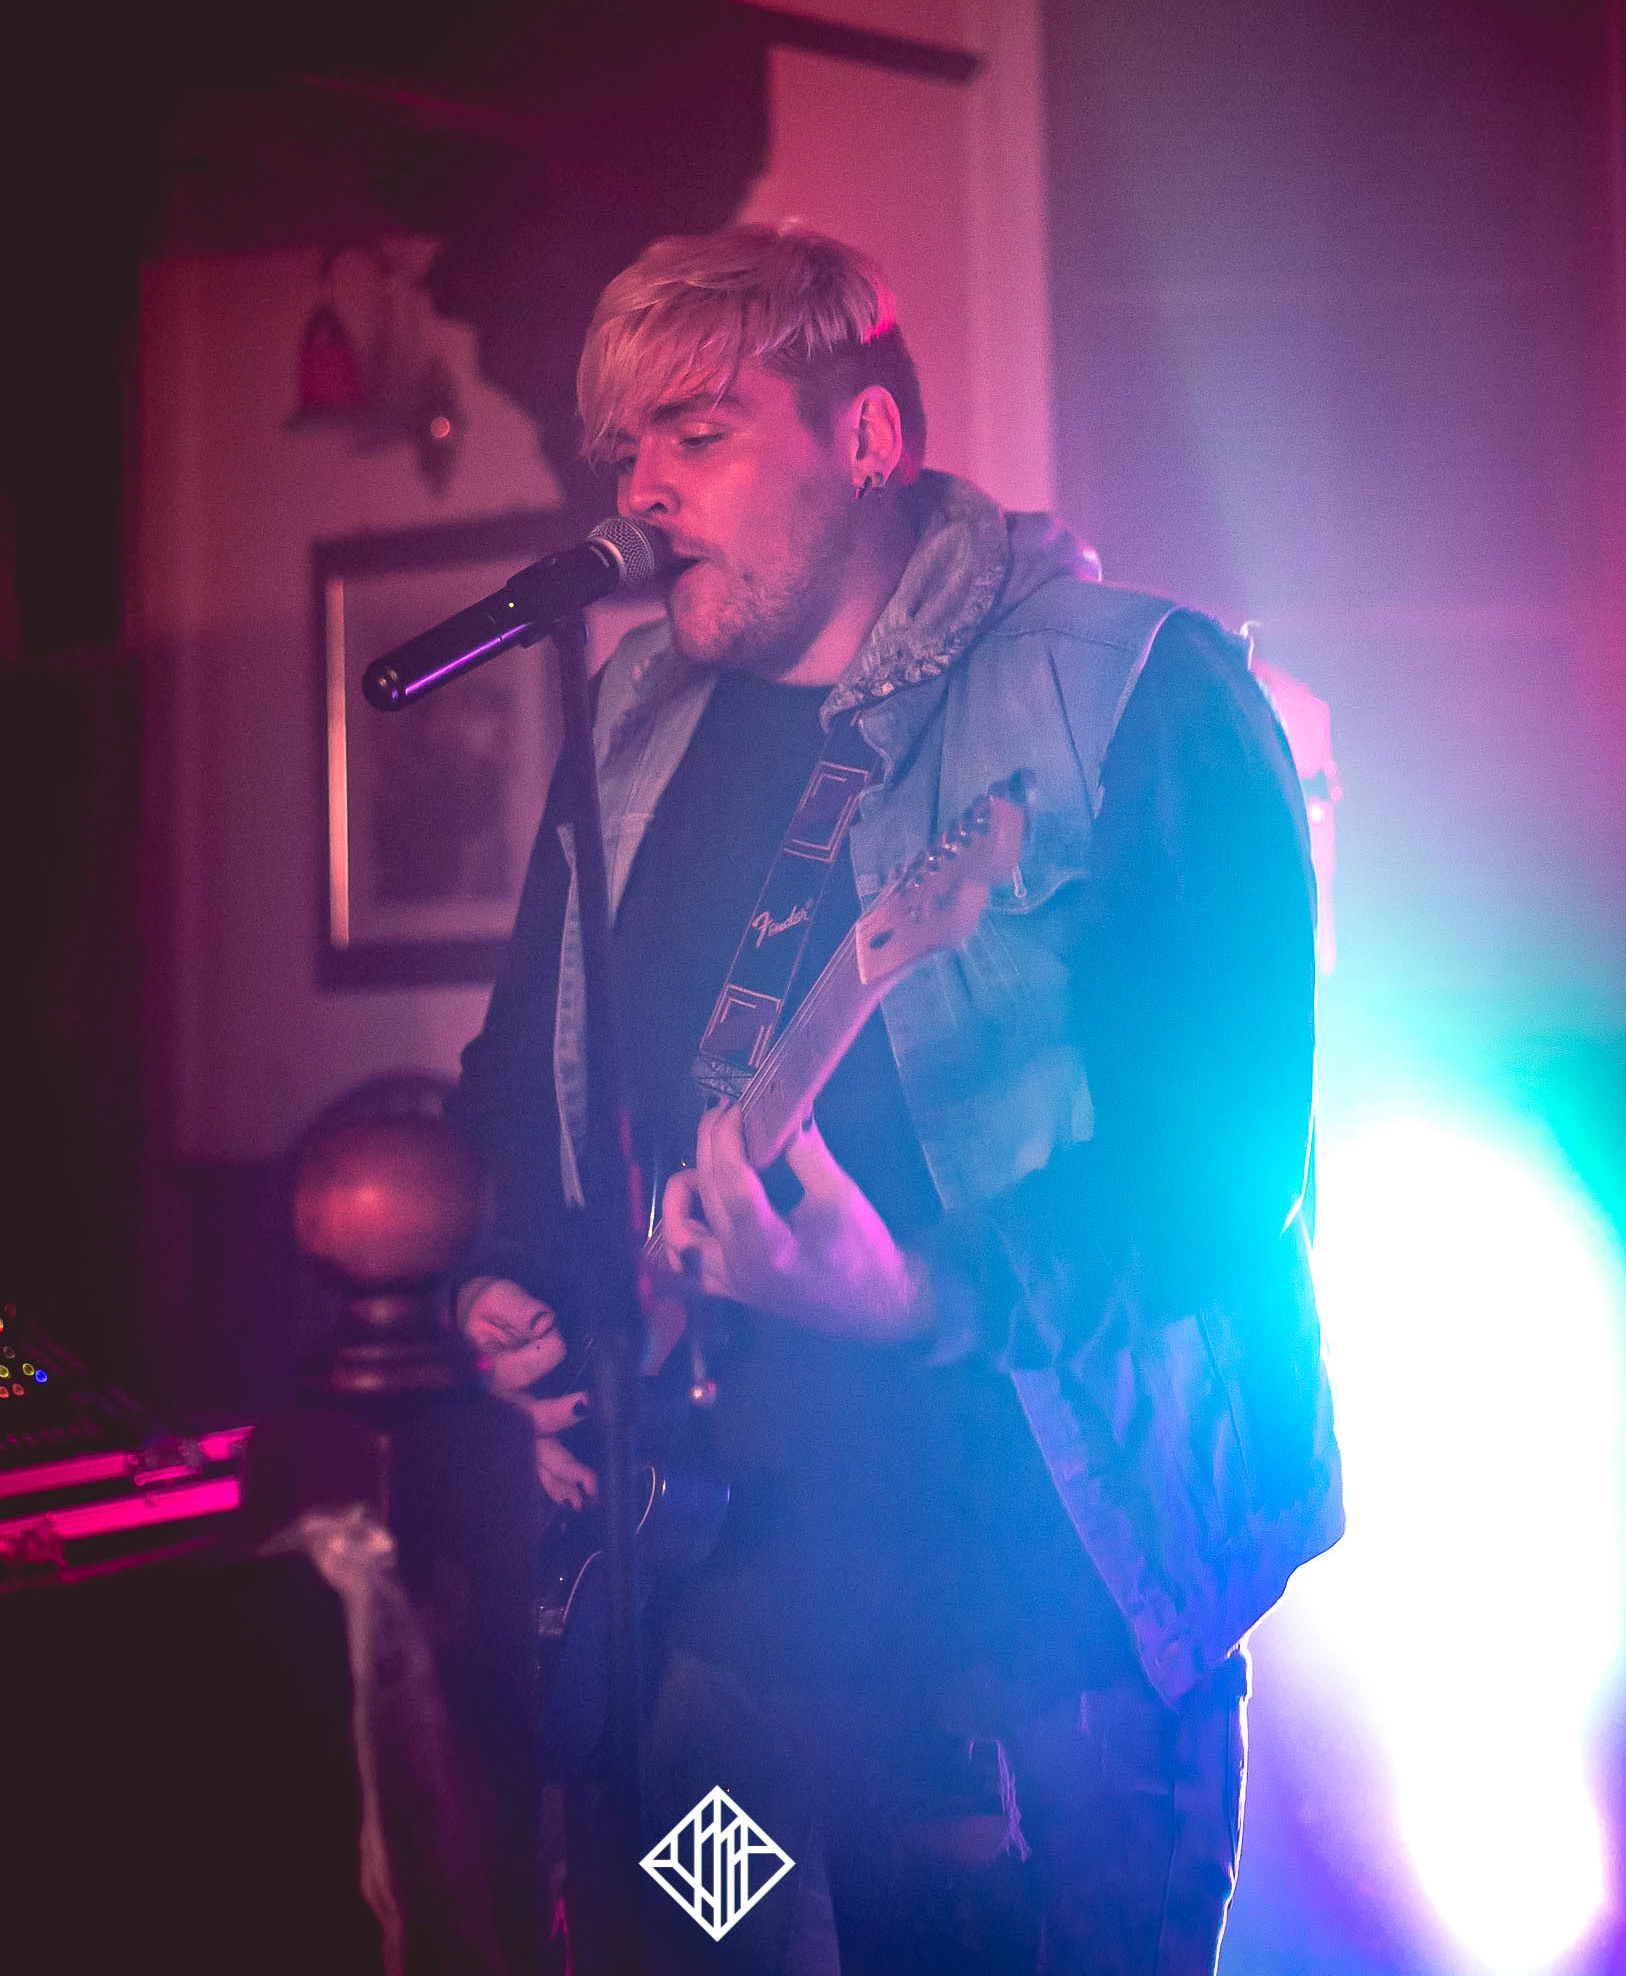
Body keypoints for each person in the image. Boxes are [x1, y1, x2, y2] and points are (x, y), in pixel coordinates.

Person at [446, 224, 1342, 1974]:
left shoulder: (1131, 687)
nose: (642, 491)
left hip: (1031, 1642)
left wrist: (928, 1294)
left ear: (863, 439)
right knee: (701, 1946)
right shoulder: (631, 713)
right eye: (623, 451)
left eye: (697, 435)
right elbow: (522, 1079)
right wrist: (524, 1285)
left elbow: (1227, 1167)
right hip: (716, 1622)